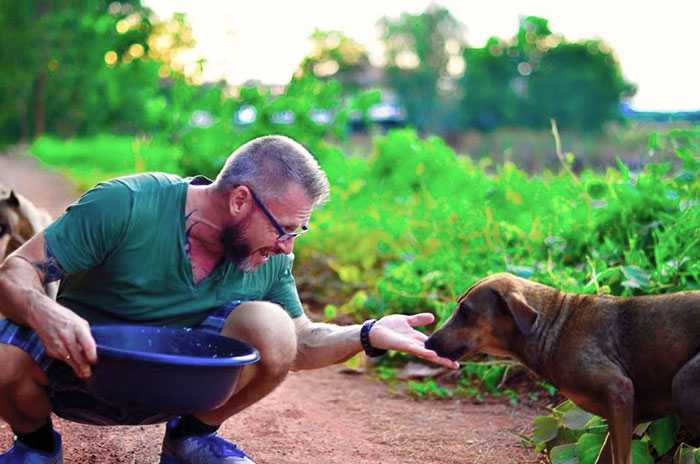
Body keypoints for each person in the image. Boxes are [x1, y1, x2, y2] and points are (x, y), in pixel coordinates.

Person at [0, 135, 458, 464]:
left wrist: (366, 333)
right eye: (285, 229)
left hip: (177, 391)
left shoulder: (267, 254)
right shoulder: (127, 205)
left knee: (273, 326)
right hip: (80, 372)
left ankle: (191, 441)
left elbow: (299, 339)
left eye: (299, 231)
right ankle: (36, 447)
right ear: (240, 200)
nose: (288, 246)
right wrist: (47, 312)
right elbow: (16, 271)